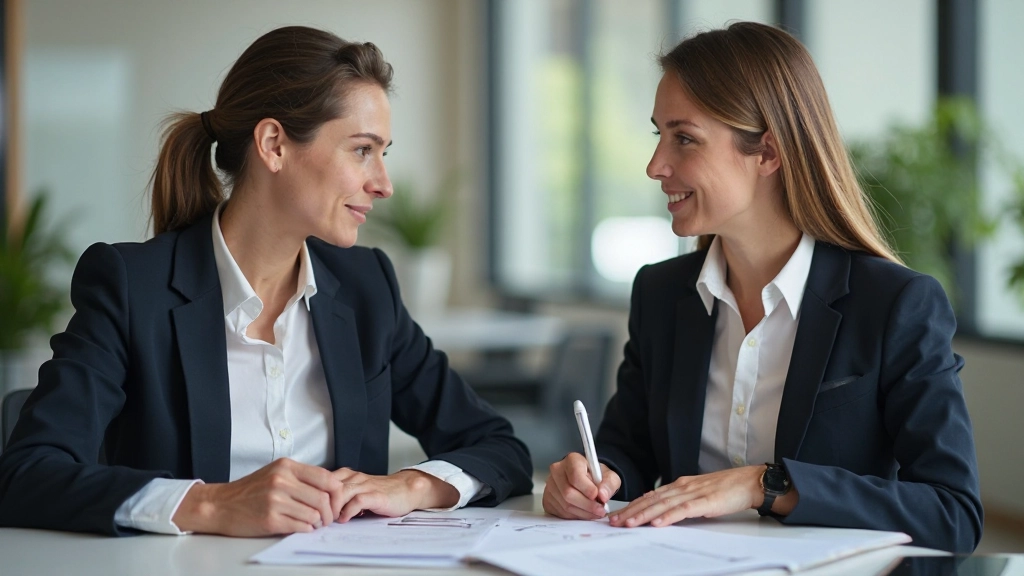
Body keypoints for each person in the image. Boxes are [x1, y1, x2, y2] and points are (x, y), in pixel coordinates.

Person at [0, 26, 532, 537]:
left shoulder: (368, 287)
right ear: (274, 144)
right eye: (362, 150)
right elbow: (25, 474)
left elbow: (498, 446)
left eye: (382, 153)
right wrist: (209, 502)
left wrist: (412, 485)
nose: (383, 184)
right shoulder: (131, 288)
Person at [543, 22, 982, 553]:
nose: (656, 165)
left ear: (768, 153)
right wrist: (595, 478)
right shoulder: (660, 295)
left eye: (684, 138)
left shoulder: (895, 305)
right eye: (659, 134)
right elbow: (629, 451)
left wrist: (764, 485)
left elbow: (952, 511)